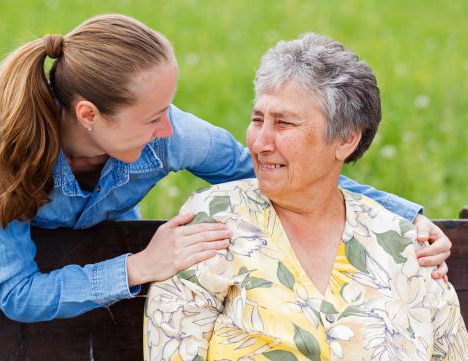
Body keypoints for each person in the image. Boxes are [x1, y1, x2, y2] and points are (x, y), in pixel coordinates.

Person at [0, 14, 449, 323]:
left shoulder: (175, 135)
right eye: (153, 118)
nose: (169, 130)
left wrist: (404, 215)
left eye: (168, 110)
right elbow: (17, 293)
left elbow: (279, 174)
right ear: (89, 116)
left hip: (107, 259)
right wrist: (141, 265)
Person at [144, 33, 467, 360]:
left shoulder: (403, 245)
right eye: (258, 120)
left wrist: (407, 218)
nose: (260, 143)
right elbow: (172, 347)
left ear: (346, 140)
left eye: (283, 123)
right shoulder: (215, 220)